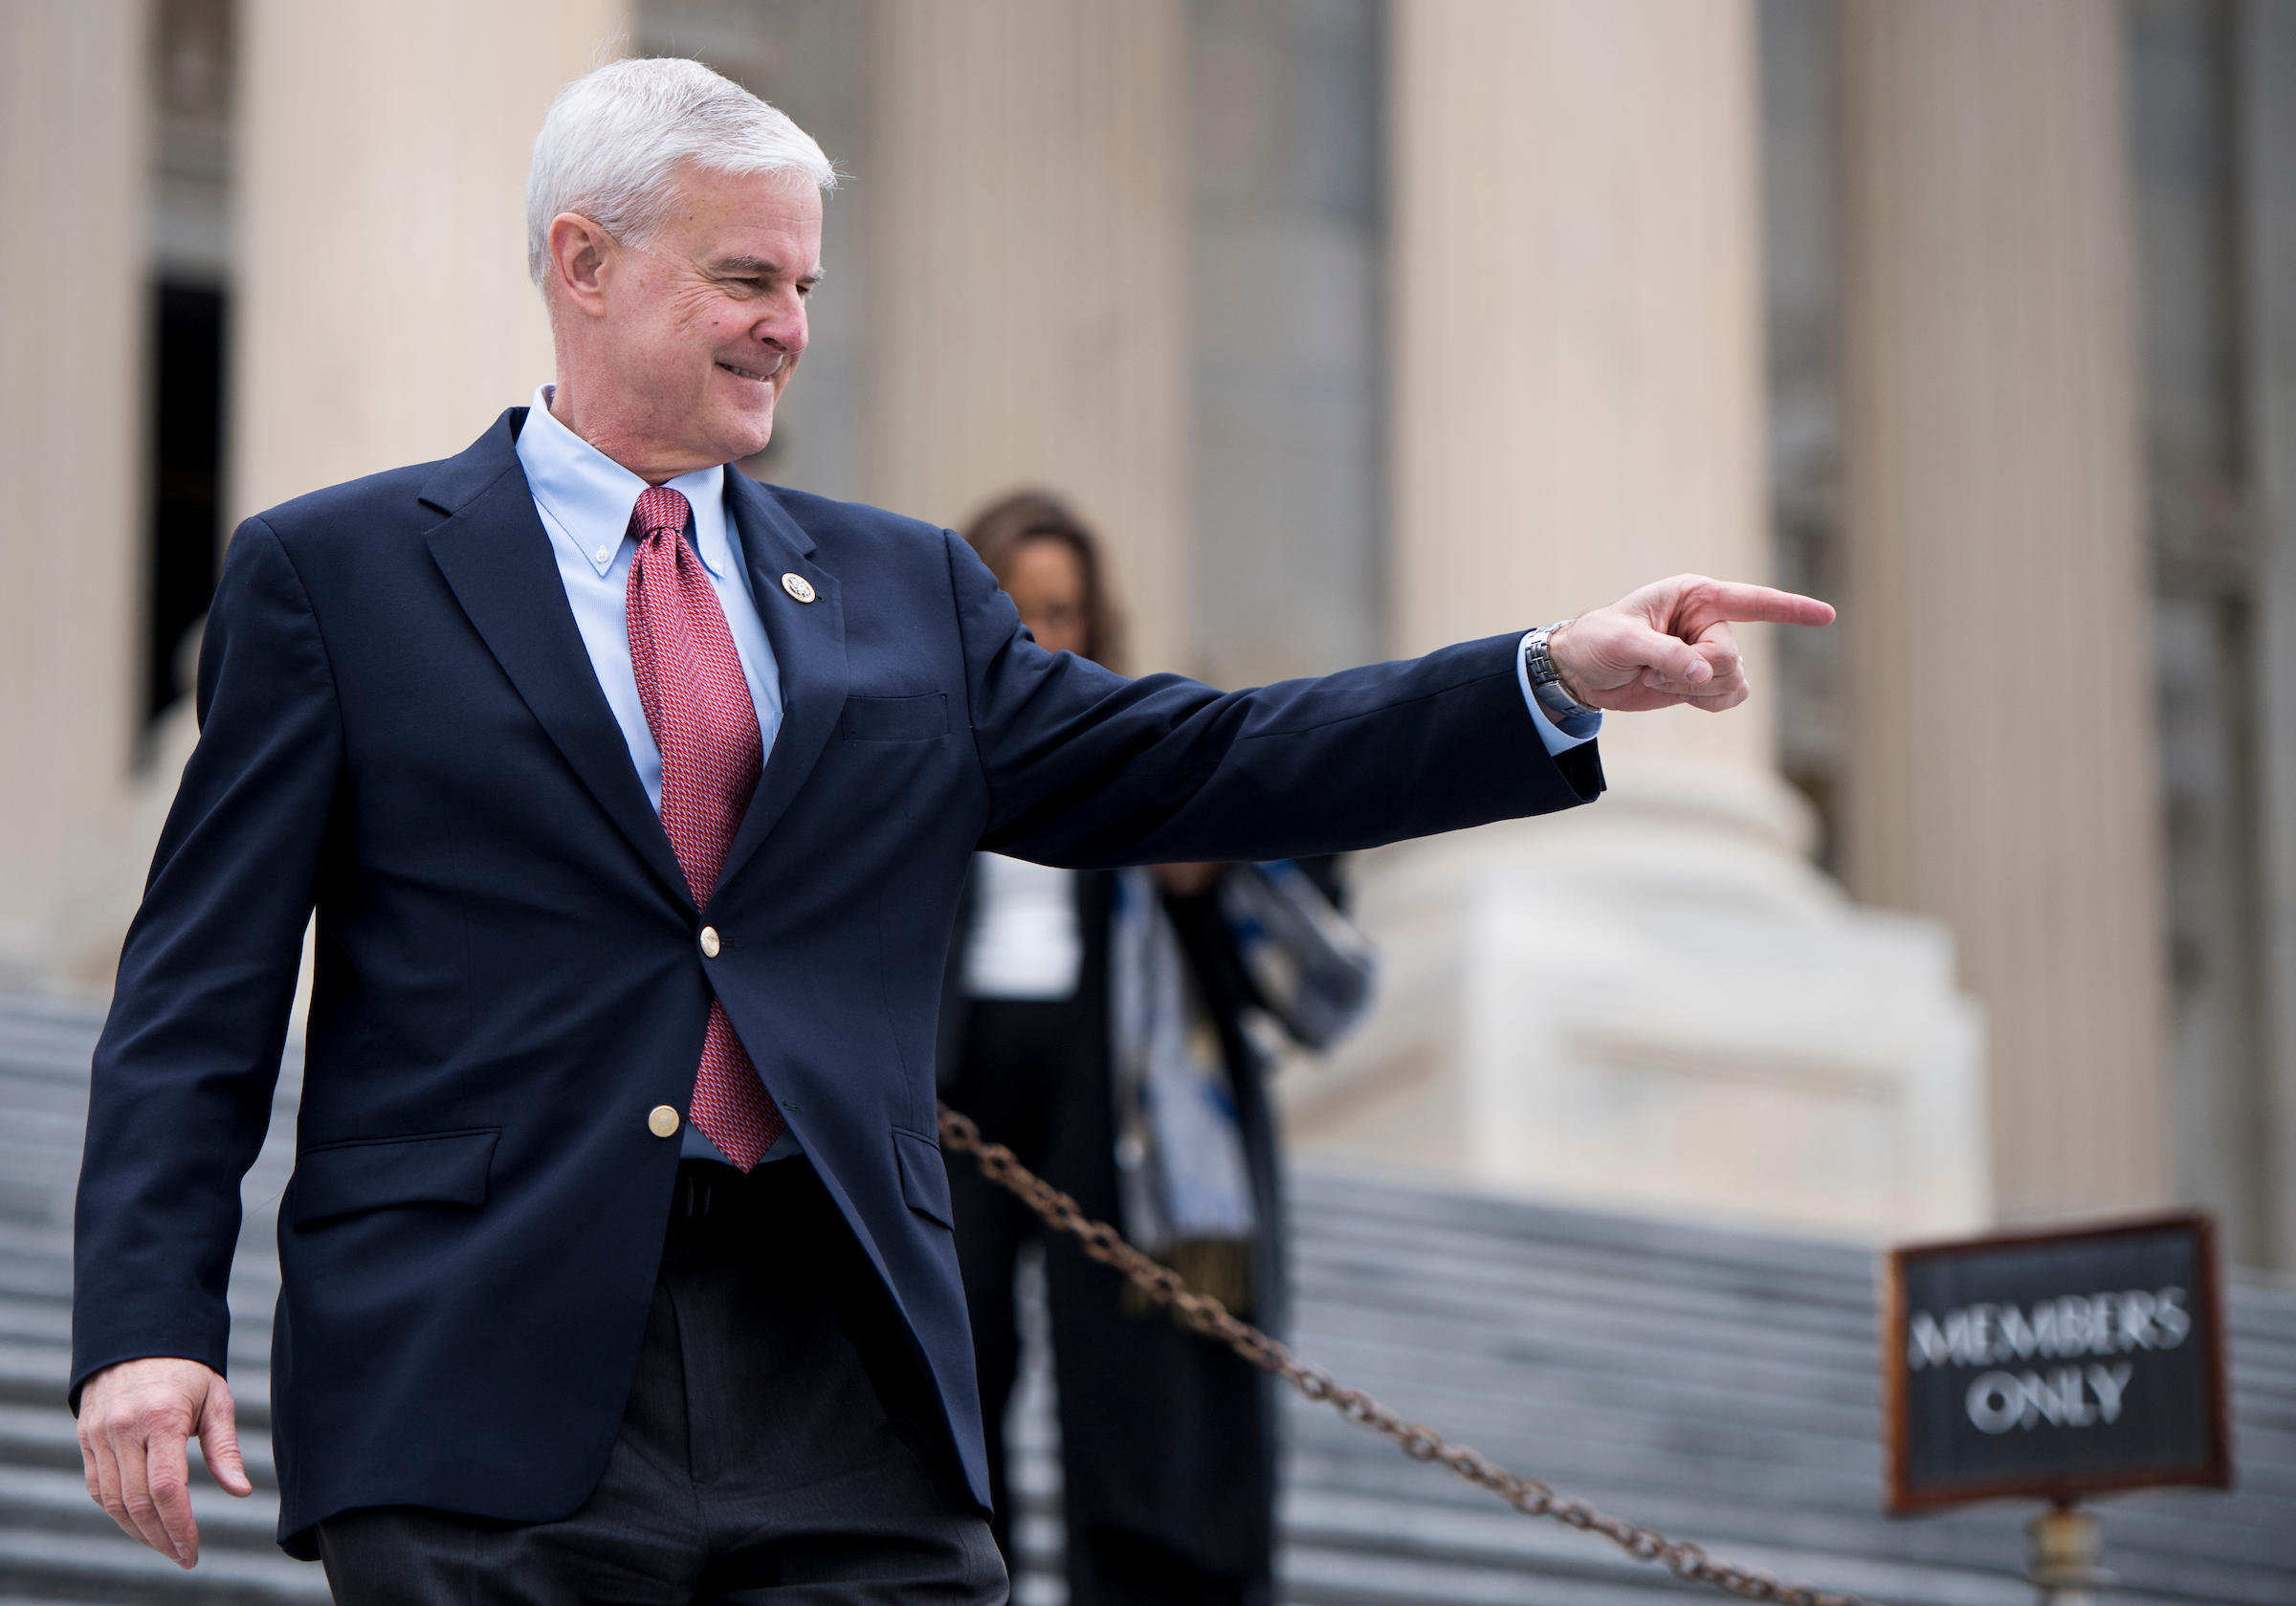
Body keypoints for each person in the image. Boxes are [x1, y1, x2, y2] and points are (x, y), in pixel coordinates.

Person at [67, 55, 1833, 1606]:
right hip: (478, 1355)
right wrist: (146, 1325)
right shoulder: (337, 574)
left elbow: (1198, 759)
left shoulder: (906, 587)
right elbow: (197, 992)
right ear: (582, 265)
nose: (790, 326)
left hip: (850, 1371)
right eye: (745, 276)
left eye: (807, 283)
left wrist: (1544, 677)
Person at [939, 493, 1371, 1604]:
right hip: (944, 1091)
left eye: (1063, 611)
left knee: (1147, 1399)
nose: (1041, 637)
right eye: (1013, 609)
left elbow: (1310, 947)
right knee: (934, 1388)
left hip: (1120, 1091)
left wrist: (1208, 866)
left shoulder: (1139, 746)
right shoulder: (910, 747)